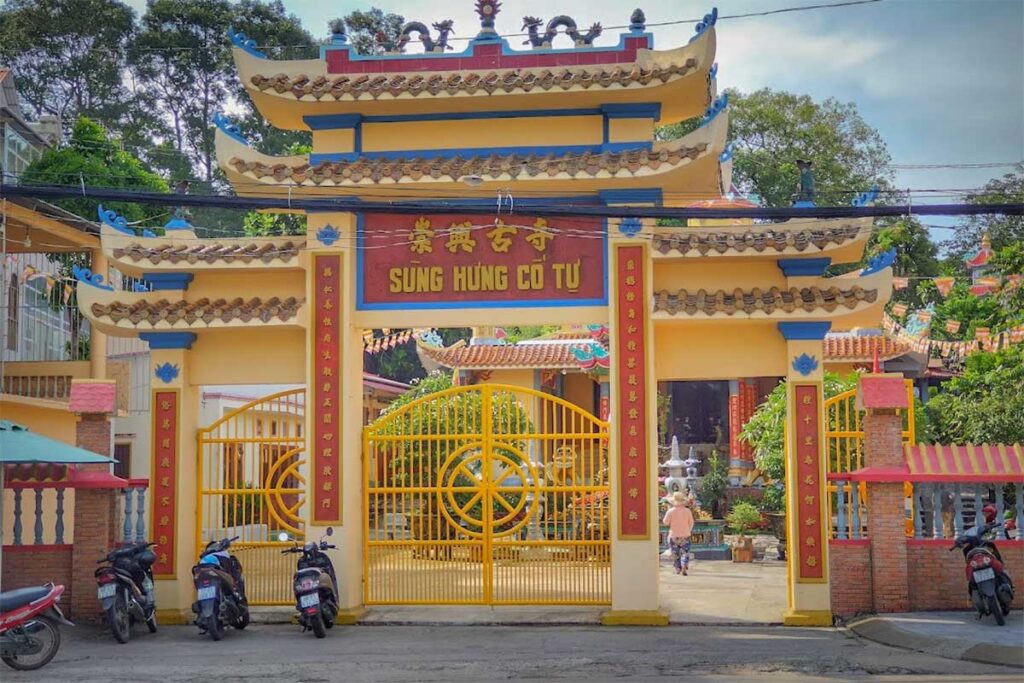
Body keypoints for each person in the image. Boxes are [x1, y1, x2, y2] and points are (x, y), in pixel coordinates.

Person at [663, 491, 695, 575]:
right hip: (685, 535)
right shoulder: (687, 511)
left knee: (675, 553)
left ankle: (678, 568)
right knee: (685, 552)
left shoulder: (670, 511)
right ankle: (684, 565)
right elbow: (691, 522)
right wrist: (688, 530)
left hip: (674, 535)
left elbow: (665, 522)